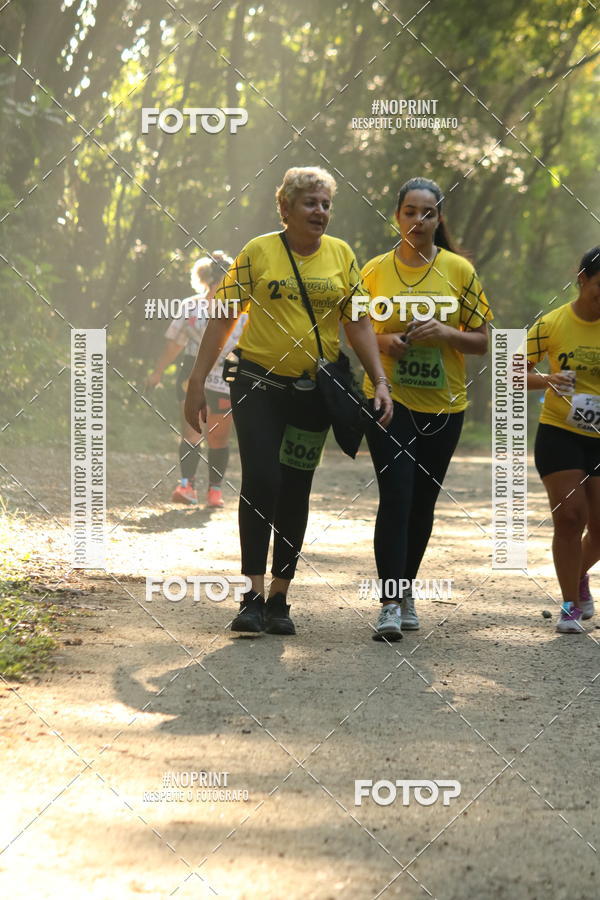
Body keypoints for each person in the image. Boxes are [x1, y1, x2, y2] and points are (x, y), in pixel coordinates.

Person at [185, 166, 393, 635]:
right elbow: (222, 318)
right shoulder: (258, 252)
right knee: (261, 477)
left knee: (296, 485)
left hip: (312, 393)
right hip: (258, 384)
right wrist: (197, 380)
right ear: (286, 208)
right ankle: (252, 595)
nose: (320, 212)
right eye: (310, 203)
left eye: (325, 204)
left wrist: (380, 380)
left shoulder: (341, 254)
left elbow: (358, 322)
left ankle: (280, 597)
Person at [363, 176, 493, 641]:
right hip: (388, 400)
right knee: (396, 497)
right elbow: (352, 332)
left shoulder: (459, 270)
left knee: (422, 504)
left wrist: (446, 335)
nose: (419, 220)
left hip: (444, 406)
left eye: (428, 213)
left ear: (439, 219)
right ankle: (390, 604)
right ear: (397, 217)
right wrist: (385, 342)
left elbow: (482, 341)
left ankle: (407, 589)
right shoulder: (375, 270)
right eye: (410, 212)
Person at [526, 246, 600, 633]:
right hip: (561, 432)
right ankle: (570, 603)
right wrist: (548, 379)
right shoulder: (554, 323)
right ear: (583, 280)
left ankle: (578, 576)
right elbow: (513, 372)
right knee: (571, 518)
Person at [147, 252, 244, 508]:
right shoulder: (191, 305)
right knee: (192, 431)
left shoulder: (243, 309)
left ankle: (214, 490)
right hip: (192, 372)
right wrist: (157, 371)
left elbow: (251, 346)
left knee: (218, 436)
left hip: (226, 374)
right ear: (210, 280)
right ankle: (186, 485)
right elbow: (174, 344)